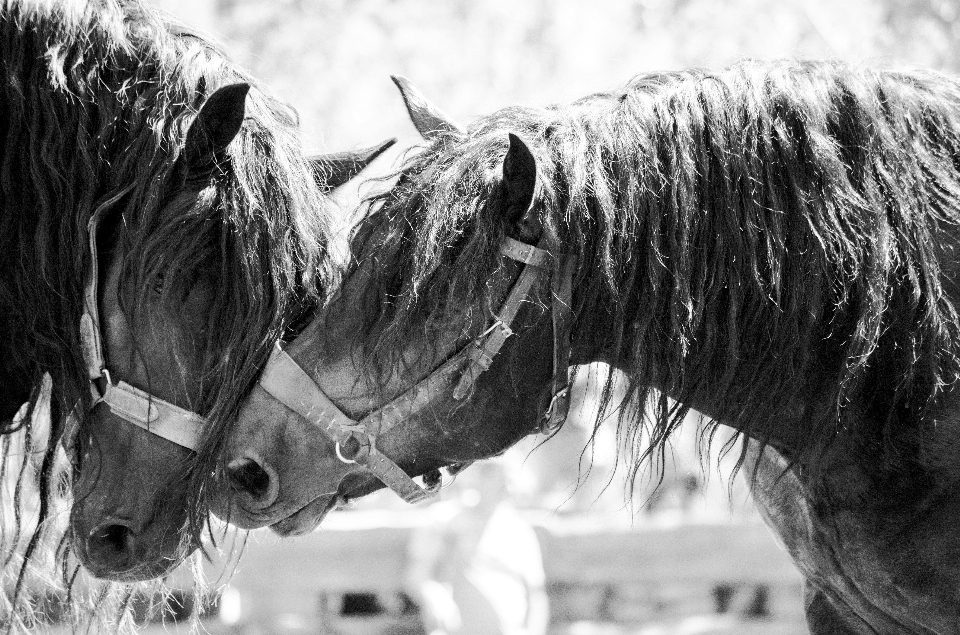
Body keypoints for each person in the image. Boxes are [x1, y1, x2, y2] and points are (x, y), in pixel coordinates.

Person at [405, 459, 549, 635]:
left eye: (504, 477)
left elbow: (536, 594)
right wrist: (434, 598)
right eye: (489, 474)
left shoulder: (519, 530)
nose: (500, 483)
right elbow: (417, 574)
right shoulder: (445, 520)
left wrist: (532, 632)